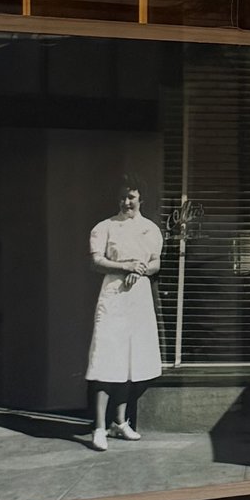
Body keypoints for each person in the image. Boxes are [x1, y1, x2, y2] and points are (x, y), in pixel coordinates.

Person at [86, 186, 164, 449]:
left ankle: (119, 423)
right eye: (122, 197)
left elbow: (155, 263)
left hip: (139, 298)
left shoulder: (151, 229)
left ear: (141, 199)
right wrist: (125, 266)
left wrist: (139, 270)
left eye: (131, 197)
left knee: (132, 359)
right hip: (114, 296)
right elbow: (97, 262)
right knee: (106, 358)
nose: (126, 202)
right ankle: (99, 427)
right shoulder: (104, 227)